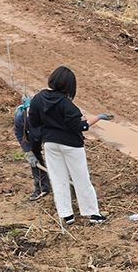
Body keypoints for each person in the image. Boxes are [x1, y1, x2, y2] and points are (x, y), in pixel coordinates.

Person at [27, 66, 106, 224]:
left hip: (50, 143)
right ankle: (93, 214)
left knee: (58, 178)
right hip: (71, 145)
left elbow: (33, 121)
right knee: (81, 177)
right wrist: (98, 117)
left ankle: (67, 215)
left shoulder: (38, 98)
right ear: (70, 86)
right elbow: (79, 126)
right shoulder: (67, 105)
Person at [12, 96, 52, 200]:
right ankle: (42, 187)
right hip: (31, 134)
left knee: (56, 155)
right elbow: (20, 135)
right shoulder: (20, 117)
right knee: (36, 158)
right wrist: (30, 154)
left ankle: (68, 184)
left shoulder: (46, 113)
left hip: (47, 131)